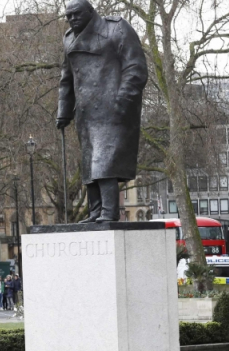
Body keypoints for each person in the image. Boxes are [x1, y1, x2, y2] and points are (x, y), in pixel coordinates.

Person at [57, 0, 148, 223]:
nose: (72, 19)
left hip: (113, 109)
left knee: (104, 162)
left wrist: (123, 100)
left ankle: (109, 212)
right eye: (68, 16)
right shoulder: (69, 38)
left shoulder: (115, 28)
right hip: (86, 112)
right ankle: (96, 211)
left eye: (76, 14)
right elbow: (66, 79)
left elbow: (135, 67)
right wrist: (64, 111)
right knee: (89, 164)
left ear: (90, 11)